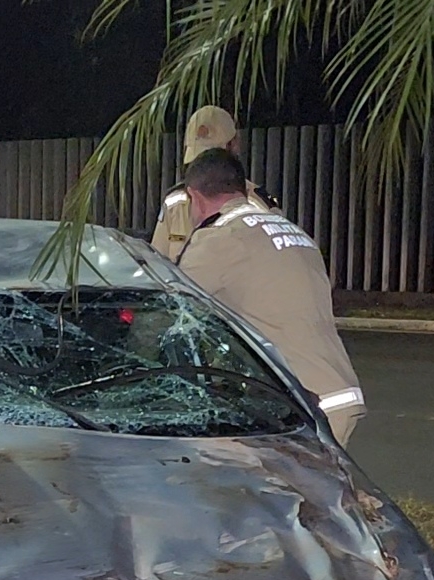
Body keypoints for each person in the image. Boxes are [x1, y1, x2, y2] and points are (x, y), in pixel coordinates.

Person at [176, 147, 364, 446]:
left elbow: (172, 310)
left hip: (300, 407)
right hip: (335, 393)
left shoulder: (219, 238)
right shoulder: (290, 229)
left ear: (193, 197)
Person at [151, 105, 278, 262]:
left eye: (215, 158)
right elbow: (156, 263)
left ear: (235, 145)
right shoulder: (175, 202)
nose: (205, 168)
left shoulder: (258, 207)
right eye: (198, 160)